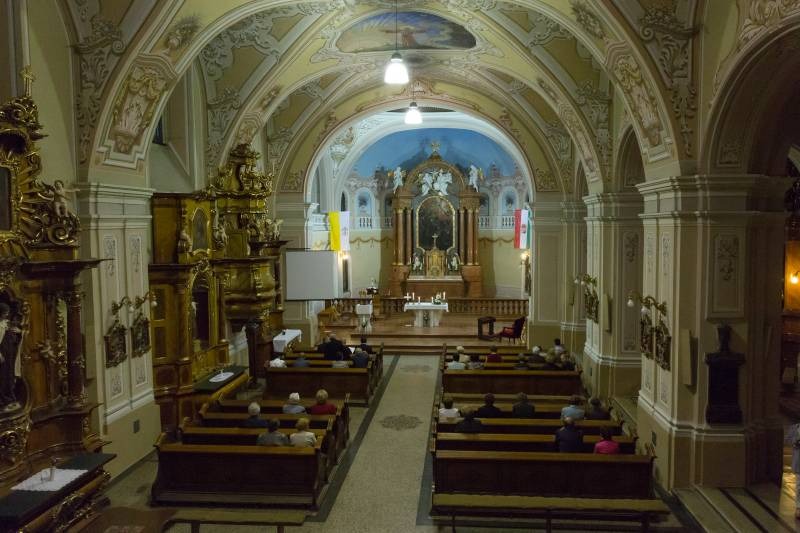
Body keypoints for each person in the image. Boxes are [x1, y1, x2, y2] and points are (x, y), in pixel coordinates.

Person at [787, 422, 800, 518]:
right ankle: (799, 507)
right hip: (799, 462)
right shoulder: (794, 428)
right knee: (799, 485)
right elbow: (788, 440)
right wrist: (795, 442)